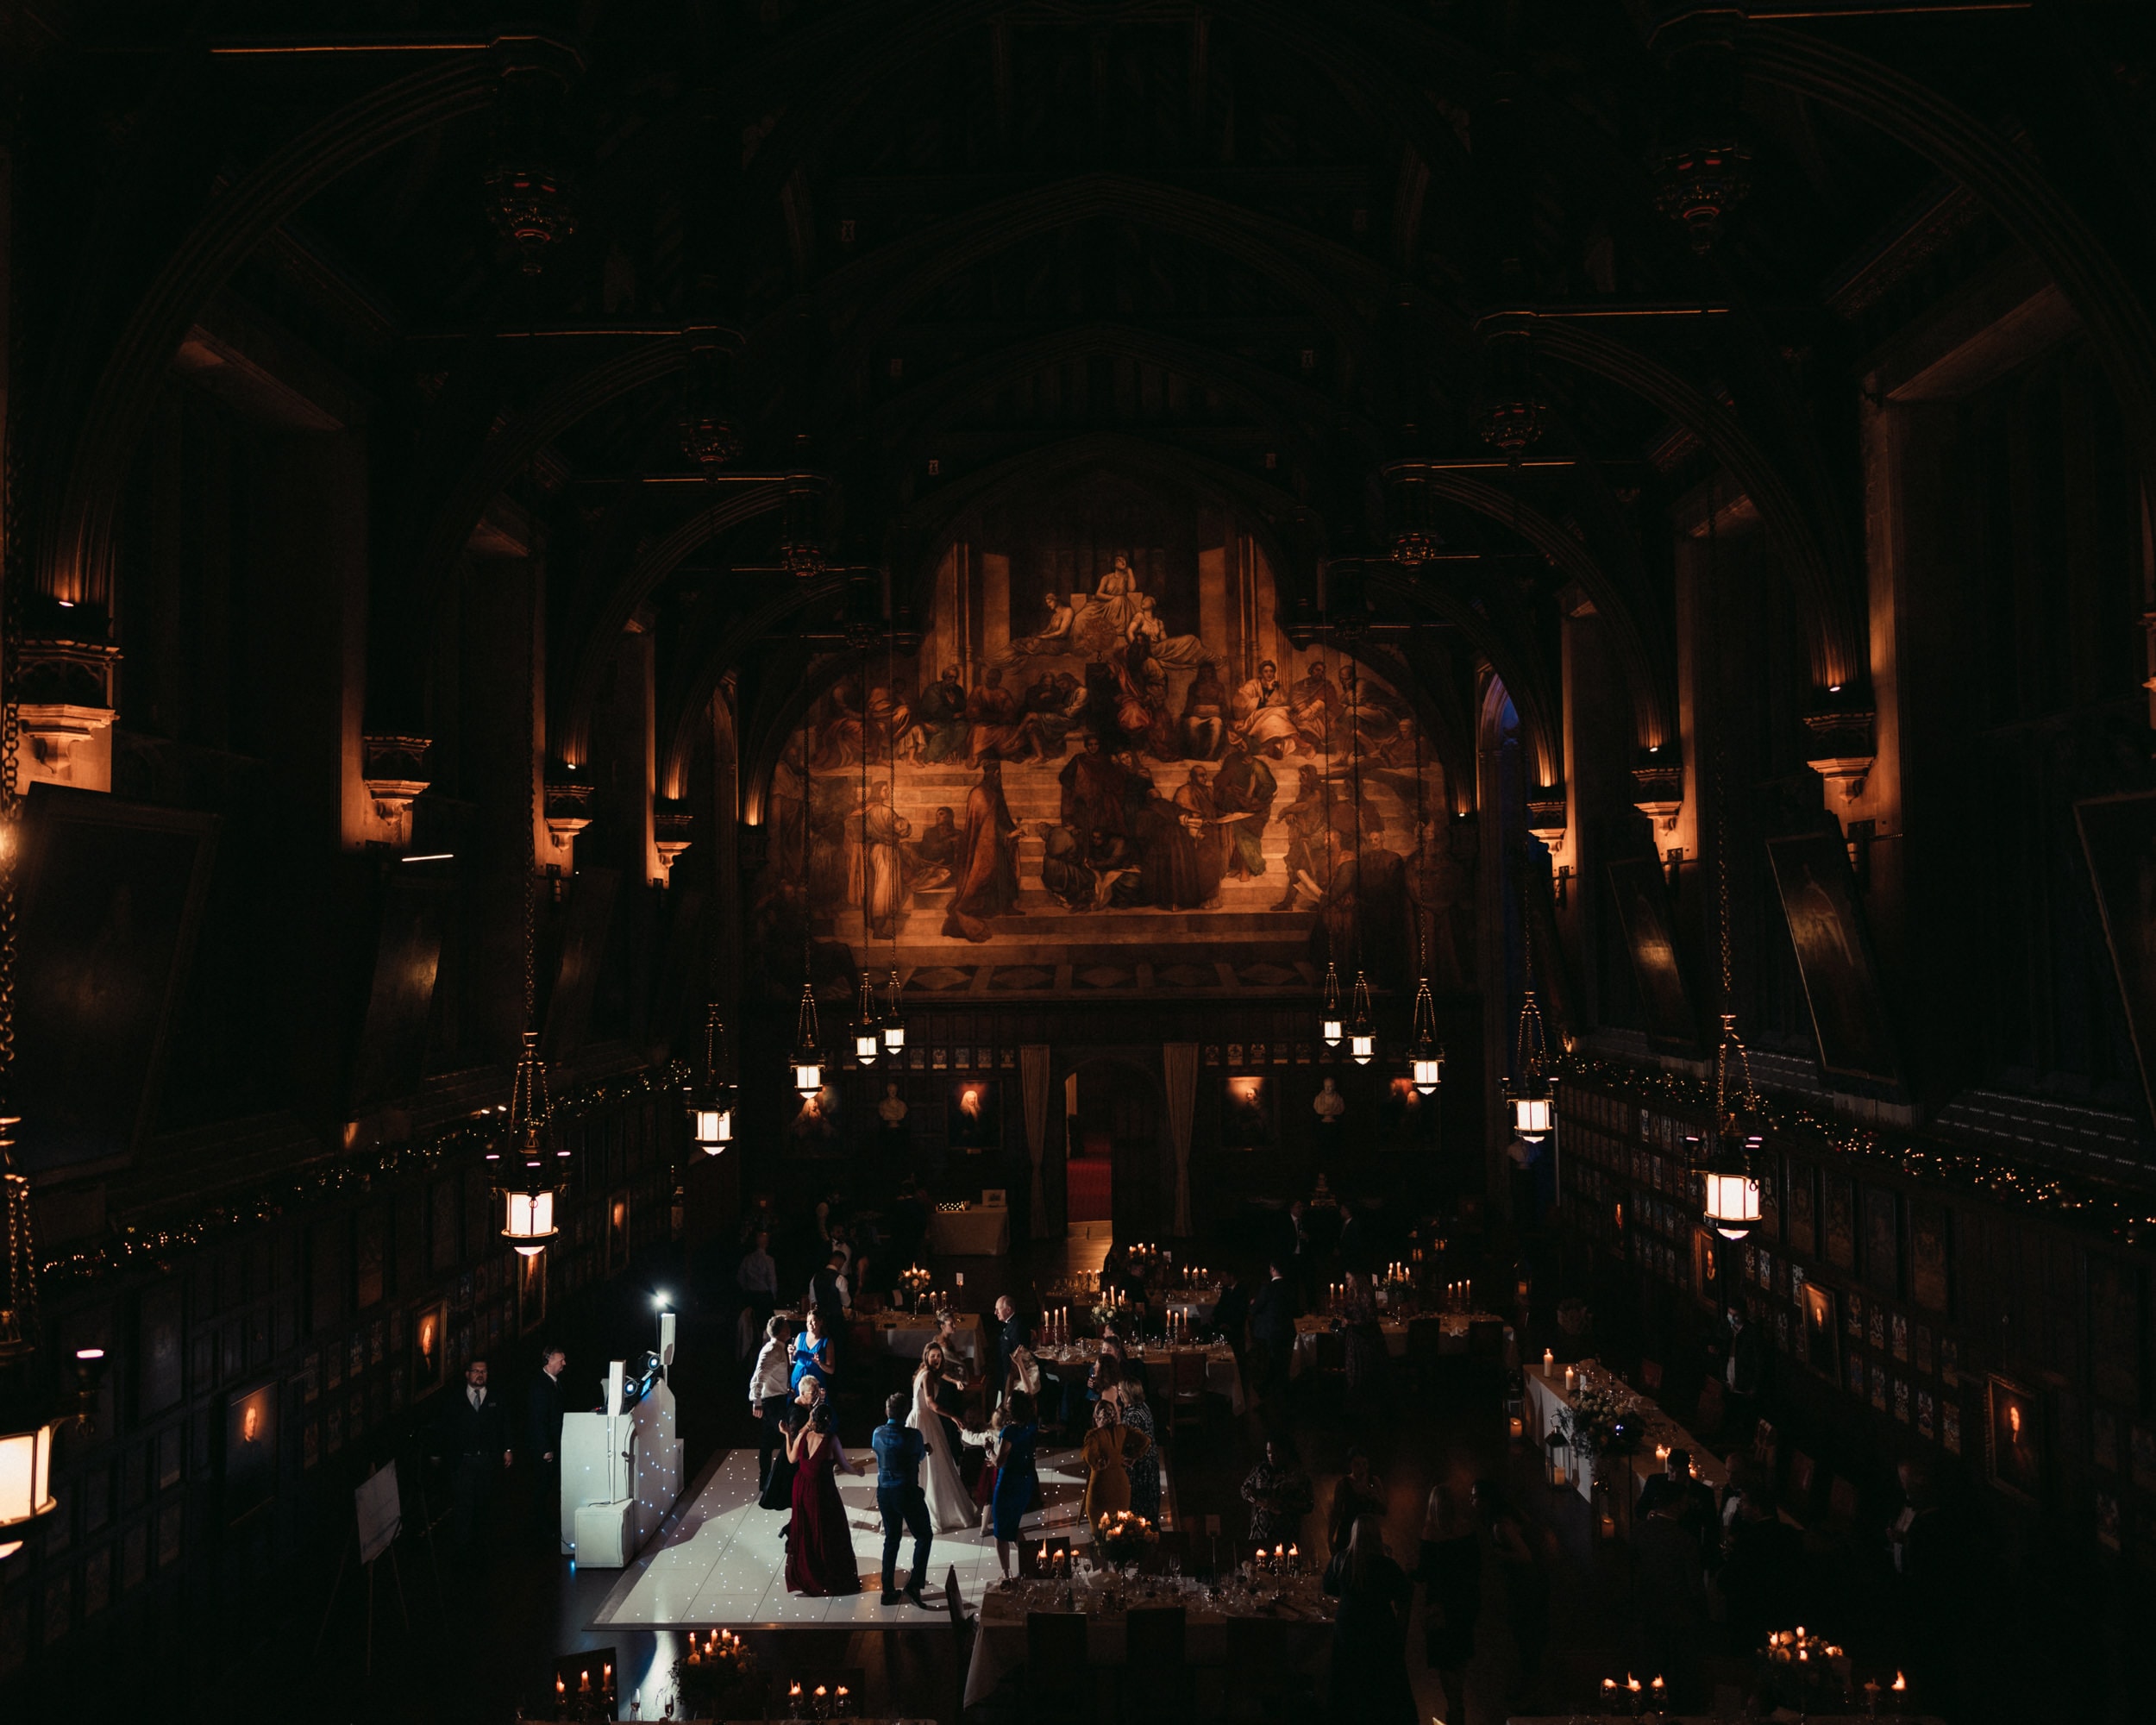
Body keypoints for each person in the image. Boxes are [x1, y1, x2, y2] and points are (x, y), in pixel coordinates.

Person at [1321, 1513, 1417, 1725]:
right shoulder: (1386, 1566)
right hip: (1379, 1630)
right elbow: (1404, 1594)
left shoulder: (1341, 1561)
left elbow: (1327, 1587)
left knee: (1347, 1678)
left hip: (1349, 1628)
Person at [1632, 1483, 1708, 1706]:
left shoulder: (1639, 1532)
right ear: (1676, 1505)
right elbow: (1694, 1586)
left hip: (1645, 1614)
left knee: (1648, 1668)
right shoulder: (1685, 1541)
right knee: (1677, 1674)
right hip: (1678, 1618)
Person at [1475, 1480, 1548, 1708]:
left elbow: (1525, 1557)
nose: (1472, 1501)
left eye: (1475, 1496)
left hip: (1523, 1586)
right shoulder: (1509, 1515)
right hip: (1530, 1585)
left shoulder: (1500, 1526)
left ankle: (1529, 1683)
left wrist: (1498, 1554)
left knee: (1524, 1633)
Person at [1415, 1484, 1482, 1725]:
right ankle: (1459, 1701)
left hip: (1439, 1606)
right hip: (1464, 1603)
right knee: (1460, 1654)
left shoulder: (1430, 1533)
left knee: (1444, 1658)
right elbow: (1476, 1568)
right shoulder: (1467, 1530)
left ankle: (1454, 1703)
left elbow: (1424, 1573)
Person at [784, 1402, 864, 1596]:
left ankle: (809, 1573)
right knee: (829, 1531)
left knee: (808, 1531)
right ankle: (828, 1574)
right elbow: (845, 1465)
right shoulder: (831, 1439)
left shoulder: (803, 1436)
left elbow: (791, 1459)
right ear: (828, 1421)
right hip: (822, 1490)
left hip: (801, 1488)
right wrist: (858, 1472)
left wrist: (787, 1435)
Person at [1718, 1484, 1803, 1658]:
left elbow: (1729, 1580)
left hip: (1750, 1616)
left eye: (1743, 1502)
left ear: (1756, 1509)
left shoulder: (1749, 1539)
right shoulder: (1791, 1534)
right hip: (1782, 1612)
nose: (1740, 1505)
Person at [437, 1358, 512, 1553]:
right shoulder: (455, 1399)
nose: (480, 1375)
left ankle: (484, 1545)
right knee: (463, 1504)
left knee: (486, 1503)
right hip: (464, 1460)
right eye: (476, 1371)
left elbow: (505, 1424)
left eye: (484, 1371)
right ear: (467, 1374)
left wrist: (508, 1449)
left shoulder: (496, 1397)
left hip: (488, 1459)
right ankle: (463, 1548)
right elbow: (446, 1429)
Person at [943, 757, 1020, 940]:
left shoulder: (993, 792)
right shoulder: (980, 794)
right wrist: (1007, 835)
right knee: (988, 874)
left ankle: (1006, 906)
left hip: (998, 843)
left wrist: (1013, 831)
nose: (998, 777)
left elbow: (1001, 817)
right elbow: (987, 825)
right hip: (984, 845)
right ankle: (986, 907)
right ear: (993, 774)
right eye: (997, 774)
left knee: (1005, 873)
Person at [871, 1390, 935, 1607]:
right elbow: (917, 1456)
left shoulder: (877, 1433)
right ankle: (914, 1585)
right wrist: (924, 1449)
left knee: (892, 1539)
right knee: (924, 1536)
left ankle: (887, 1590)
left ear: (887, 1411)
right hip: (907, 1492)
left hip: (884, 1493)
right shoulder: (914, 1435)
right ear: (906, 1412)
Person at [909, 1346, 976, 1533]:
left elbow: (943, 1377)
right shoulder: (928, 1375)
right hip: (924, 1420)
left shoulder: (924, 1372)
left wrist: (954, 1381)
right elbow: (930, 1403)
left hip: (920, 1418)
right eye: (933, 1356)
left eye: (939, 1356)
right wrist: (953, 1416)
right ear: (926, 1357)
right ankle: (935, 1510)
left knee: (930, 1464)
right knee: (933, 1464)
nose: (936, 1359)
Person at [989, 1391, 1042, 1578]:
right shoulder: (1031, 1425)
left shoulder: (1009, 1432)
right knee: (1012, 1526)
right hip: (1025, 1481)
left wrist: (989, 1451)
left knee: (1000, 1531)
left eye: (1010, 1402)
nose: (1006, 1404)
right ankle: (1033, 1563)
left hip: (1008, 1483)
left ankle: (1006, 1574)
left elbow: (999, 1462)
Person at [760, 1376, 825, 1514]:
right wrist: (810, 1423)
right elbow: (796, 1438)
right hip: (795, 1455)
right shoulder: (796, 1413)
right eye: (813, 1393)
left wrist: (819, 1402)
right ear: (802, 1393)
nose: (815, 1396)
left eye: (817, 1392)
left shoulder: (804, 1404)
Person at [1081, 1400, 1150, 1528]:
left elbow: (1089, 1454)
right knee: (1118, 1530)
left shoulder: (1094, 1436)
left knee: (1099, 1532)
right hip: (1121, 1486)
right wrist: (1132, 1456)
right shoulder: (1122, 1430)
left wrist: (1099, 1464)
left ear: (1096, 1417)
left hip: (1100, 1486)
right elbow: (1145, 1440)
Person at [1249, 1261, 1300, 1434]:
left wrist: (1254, 1304)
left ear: (1272, 1269)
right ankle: (1274, 1398)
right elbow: (1297, 1310)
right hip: (1287, 1332)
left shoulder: (1267, 1289)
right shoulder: (1291, 1288)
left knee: (1275, 1365)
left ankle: (1274, 1400)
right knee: (1281, 1365)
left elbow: (1255, 1310)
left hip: (1271, 1334)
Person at [748, 1314, 793, 1494]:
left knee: (770, 1443)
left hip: (777, 1399)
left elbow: (774, 1376)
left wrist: (785, 1389)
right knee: (784, 1439)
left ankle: (768, 1481)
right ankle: (776, 1481)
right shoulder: (772, 1350)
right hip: (772, 1403)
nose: (789, 1328)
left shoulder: (778, 1348)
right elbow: (759, 1376)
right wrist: (757, 1402)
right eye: (787, 1326)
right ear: (781, 1330)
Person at [1240, 1437, 1314, 1548]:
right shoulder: (1261, 1470)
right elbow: (1244, 1489)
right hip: (1260, 1535)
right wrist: (1254, 1497)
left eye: (1275, 1452)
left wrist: (1279, 1505)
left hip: (1286, 1536)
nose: (1271, 1456)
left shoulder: (1297, 1475)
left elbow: (1308, 1504)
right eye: (1269, 1452)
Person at [528, 1345, 567, 1540]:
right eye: (561, 1360)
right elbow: (538, 1419)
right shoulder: (540, 1386)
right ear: (549, 1360)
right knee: (542, 1489)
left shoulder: (554, 1383)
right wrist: (545, 1448)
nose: (564, 1364)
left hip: (555, 1444)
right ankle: (539, 1527)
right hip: (546, 1448)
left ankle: (546, 1525)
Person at [1118, 1364, 1161, 1522]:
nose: (1118, 1393)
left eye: (1120, 1391)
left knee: (1139, 1508)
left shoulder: (1133, 1416)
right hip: (1150, 1462)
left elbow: (1128, 1444)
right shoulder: (1143, 1407)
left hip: (1140, 1467)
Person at [1329, 1447, 1386, 1555]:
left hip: (1368, 1533)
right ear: (1351, 1465)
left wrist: (1375, 1497)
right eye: (1357, 1465)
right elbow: (1336, 1513)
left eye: (1365, 1464)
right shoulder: (1343, 1484)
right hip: (1348, 1532)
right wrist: (1330, 1538)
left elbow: (1384, 1510)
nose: (1362, 1468)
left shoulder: (1374, 1481)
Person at [737, 1229, 780, 1333]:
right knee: (765, 1327)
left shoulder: (747, 1259)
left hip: (750, 1297)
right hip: (764, 1297)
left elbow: (740, 1278)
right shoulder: (768, 1260)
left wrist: (747, 1289)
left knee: (751, 1326)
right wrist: (773, 1297)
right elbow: (772, 1281)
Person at [790, 1307, 837, 1393]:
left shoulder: (827, 1341)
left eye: (813, 1320)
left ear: (821, 1322)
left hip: (814, 1380)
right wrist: (790, 1353)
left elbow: (831, 1370)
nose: (810, 1324)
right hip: (798, 1378)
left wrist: (819, 1363)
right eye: (808, 1321)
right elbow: (791, 1362)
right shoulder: (800, 1336)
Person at [993, 1294, 1027, 1404]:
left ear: (1008, 1310)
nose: (995, 1313)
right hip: (1004, 1371)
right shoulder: (1010, 1324)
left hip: (1011, 1375)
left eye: (998, 1309)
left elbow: (1020, 1354)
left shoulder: (1017, 1327)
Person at [806, 1251, 849, 1333]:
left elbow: (812, 1299)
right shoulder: (840, 1279)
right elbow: (846, 1303)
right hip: (836, 1320)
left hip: (820, 1320)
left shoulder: (815, 1277)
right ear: (840, 1261)